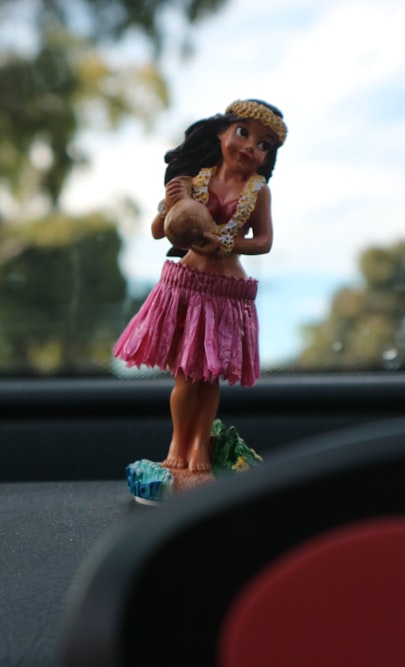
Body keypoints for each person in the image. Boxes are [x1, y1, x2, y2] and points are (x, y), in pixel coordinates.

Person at [114, 99, 287, 474]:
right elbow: (159, 232)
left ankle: (198, 448)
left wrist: (228, 243)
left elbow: (264, 242)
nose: (250, 147)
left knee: (209, 380)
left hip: (225, 294)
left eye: (264, 145)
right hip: (187, 287)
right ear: (221, 133)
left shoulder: (259, 192)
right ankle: (178, 440)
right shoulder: (196, 180)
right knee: (184, 379)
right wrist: (169, 204)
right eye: (243, 133)